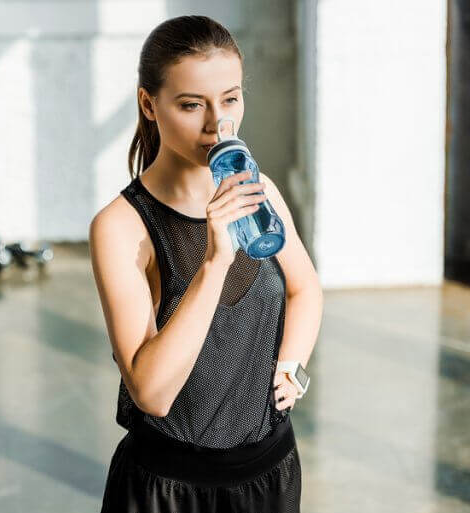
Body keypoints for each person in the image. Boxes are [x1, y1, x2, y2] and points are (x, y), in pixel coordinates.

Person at [88, 15, 323, 512]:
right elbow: (151, 393)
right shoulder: (122, 227)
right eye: (192, 105)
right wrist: (215, 261)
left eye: (231, 98)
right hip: (169, 491)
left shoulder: (261, 194)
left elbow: (305, 288)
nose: (218, 124)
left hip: (269, 477)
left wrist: (293, 368)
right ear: (149, 104)